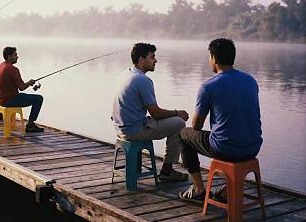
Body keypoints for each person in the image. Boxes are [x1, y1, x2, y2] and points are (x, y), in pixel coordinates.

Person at [178, 38, 263, 203]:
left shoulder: (208, 87)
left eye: (209, 57)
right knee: (229, 134)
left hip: (226, 149)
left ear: (214, 58)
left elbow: (196, 125)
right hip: (253, 147)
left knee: (183, 135)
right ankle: (226, 191)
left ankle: (198, 189)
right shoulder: (251, 81)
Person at [112, 42, 189, 182]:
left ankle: (164, 169)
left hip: (120, 128)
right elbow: (156, 113)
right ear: (141, 60)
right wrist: (178, 113)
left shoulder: (126, 73)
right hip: (133, 130)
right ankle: (167, 171)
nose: (156, 61)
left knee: (170, 120)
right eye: (152, 57)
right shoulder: (142, 80)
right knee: (179, 124)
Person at [0, 47, 44, 133]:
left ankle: (30, 124)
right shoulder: (13, 69)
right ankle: (30, 124)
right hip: (9, 100)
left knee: (29, 97)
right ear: (9, 57)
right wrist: (29, 82)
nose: (17, 57)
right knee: (38, 99)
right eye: (15, 55)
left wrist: (28, 83)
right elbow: (22, 87)